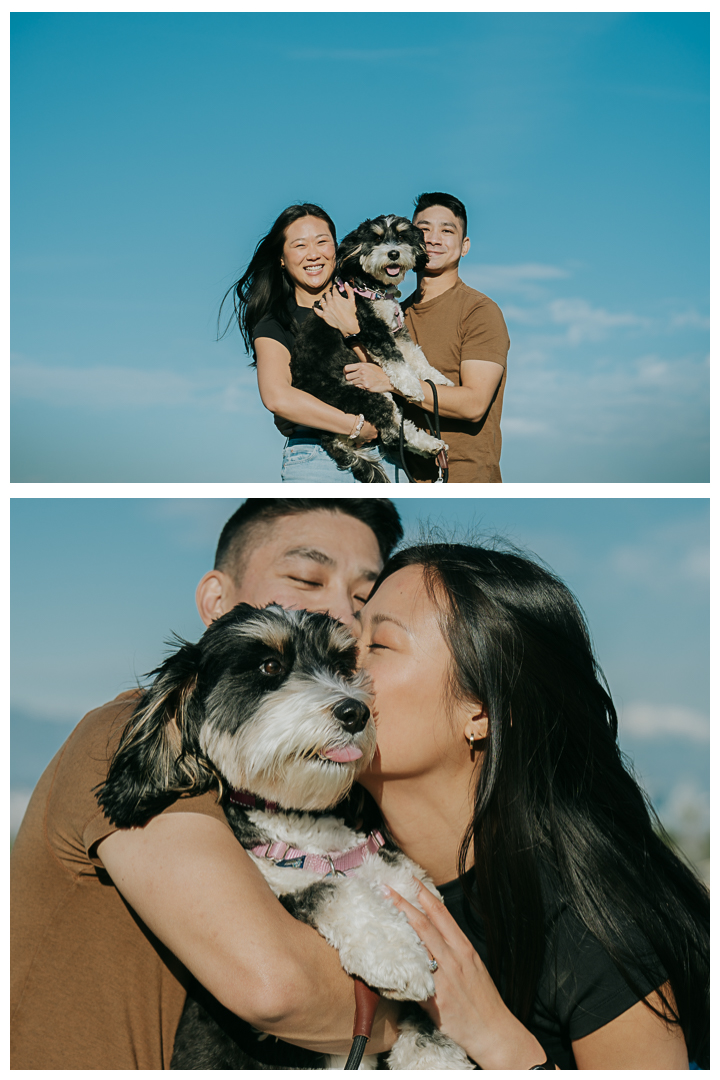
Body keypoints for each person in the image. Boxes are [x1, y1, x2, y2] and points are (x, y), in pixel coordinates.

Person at [10, 498, 405, 1069]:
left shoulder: (302, 779)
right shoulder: (138, 735)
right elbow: (275, 989)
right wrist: (439, 1017)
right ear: (216, 601)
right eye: (306, 579)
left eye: (364, 598)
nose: (340, 611)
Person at [351, 542, 709, 1069]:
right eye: (350, 634)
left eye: (378, 644)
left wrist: (498, 1040)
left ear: (482, 711)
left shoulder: (590, 921)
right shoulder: (322, 849)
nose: (339, 659)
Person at [223, 204, 409, 483]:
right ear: (282, 258)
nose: (313, 254)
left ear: (337, 249)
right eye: (299, 245)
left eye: (322, 242)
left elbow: (404, 371)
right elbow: (278, 397)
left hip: (392, 452)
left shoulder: (373, 299)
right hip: (319, 456)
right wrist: (356, 427)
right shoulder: (276, 322)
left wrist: (351, 329)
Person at [341, 192, 510, 483]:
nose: (432, 238)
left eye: (447, 230)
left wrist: (392, 382)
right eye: (423, 230)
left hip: (465, 477)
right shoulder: (392, 312)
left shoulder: (479, 311)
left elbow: (473, 405)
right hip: (403, 476)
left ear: (464, 245)